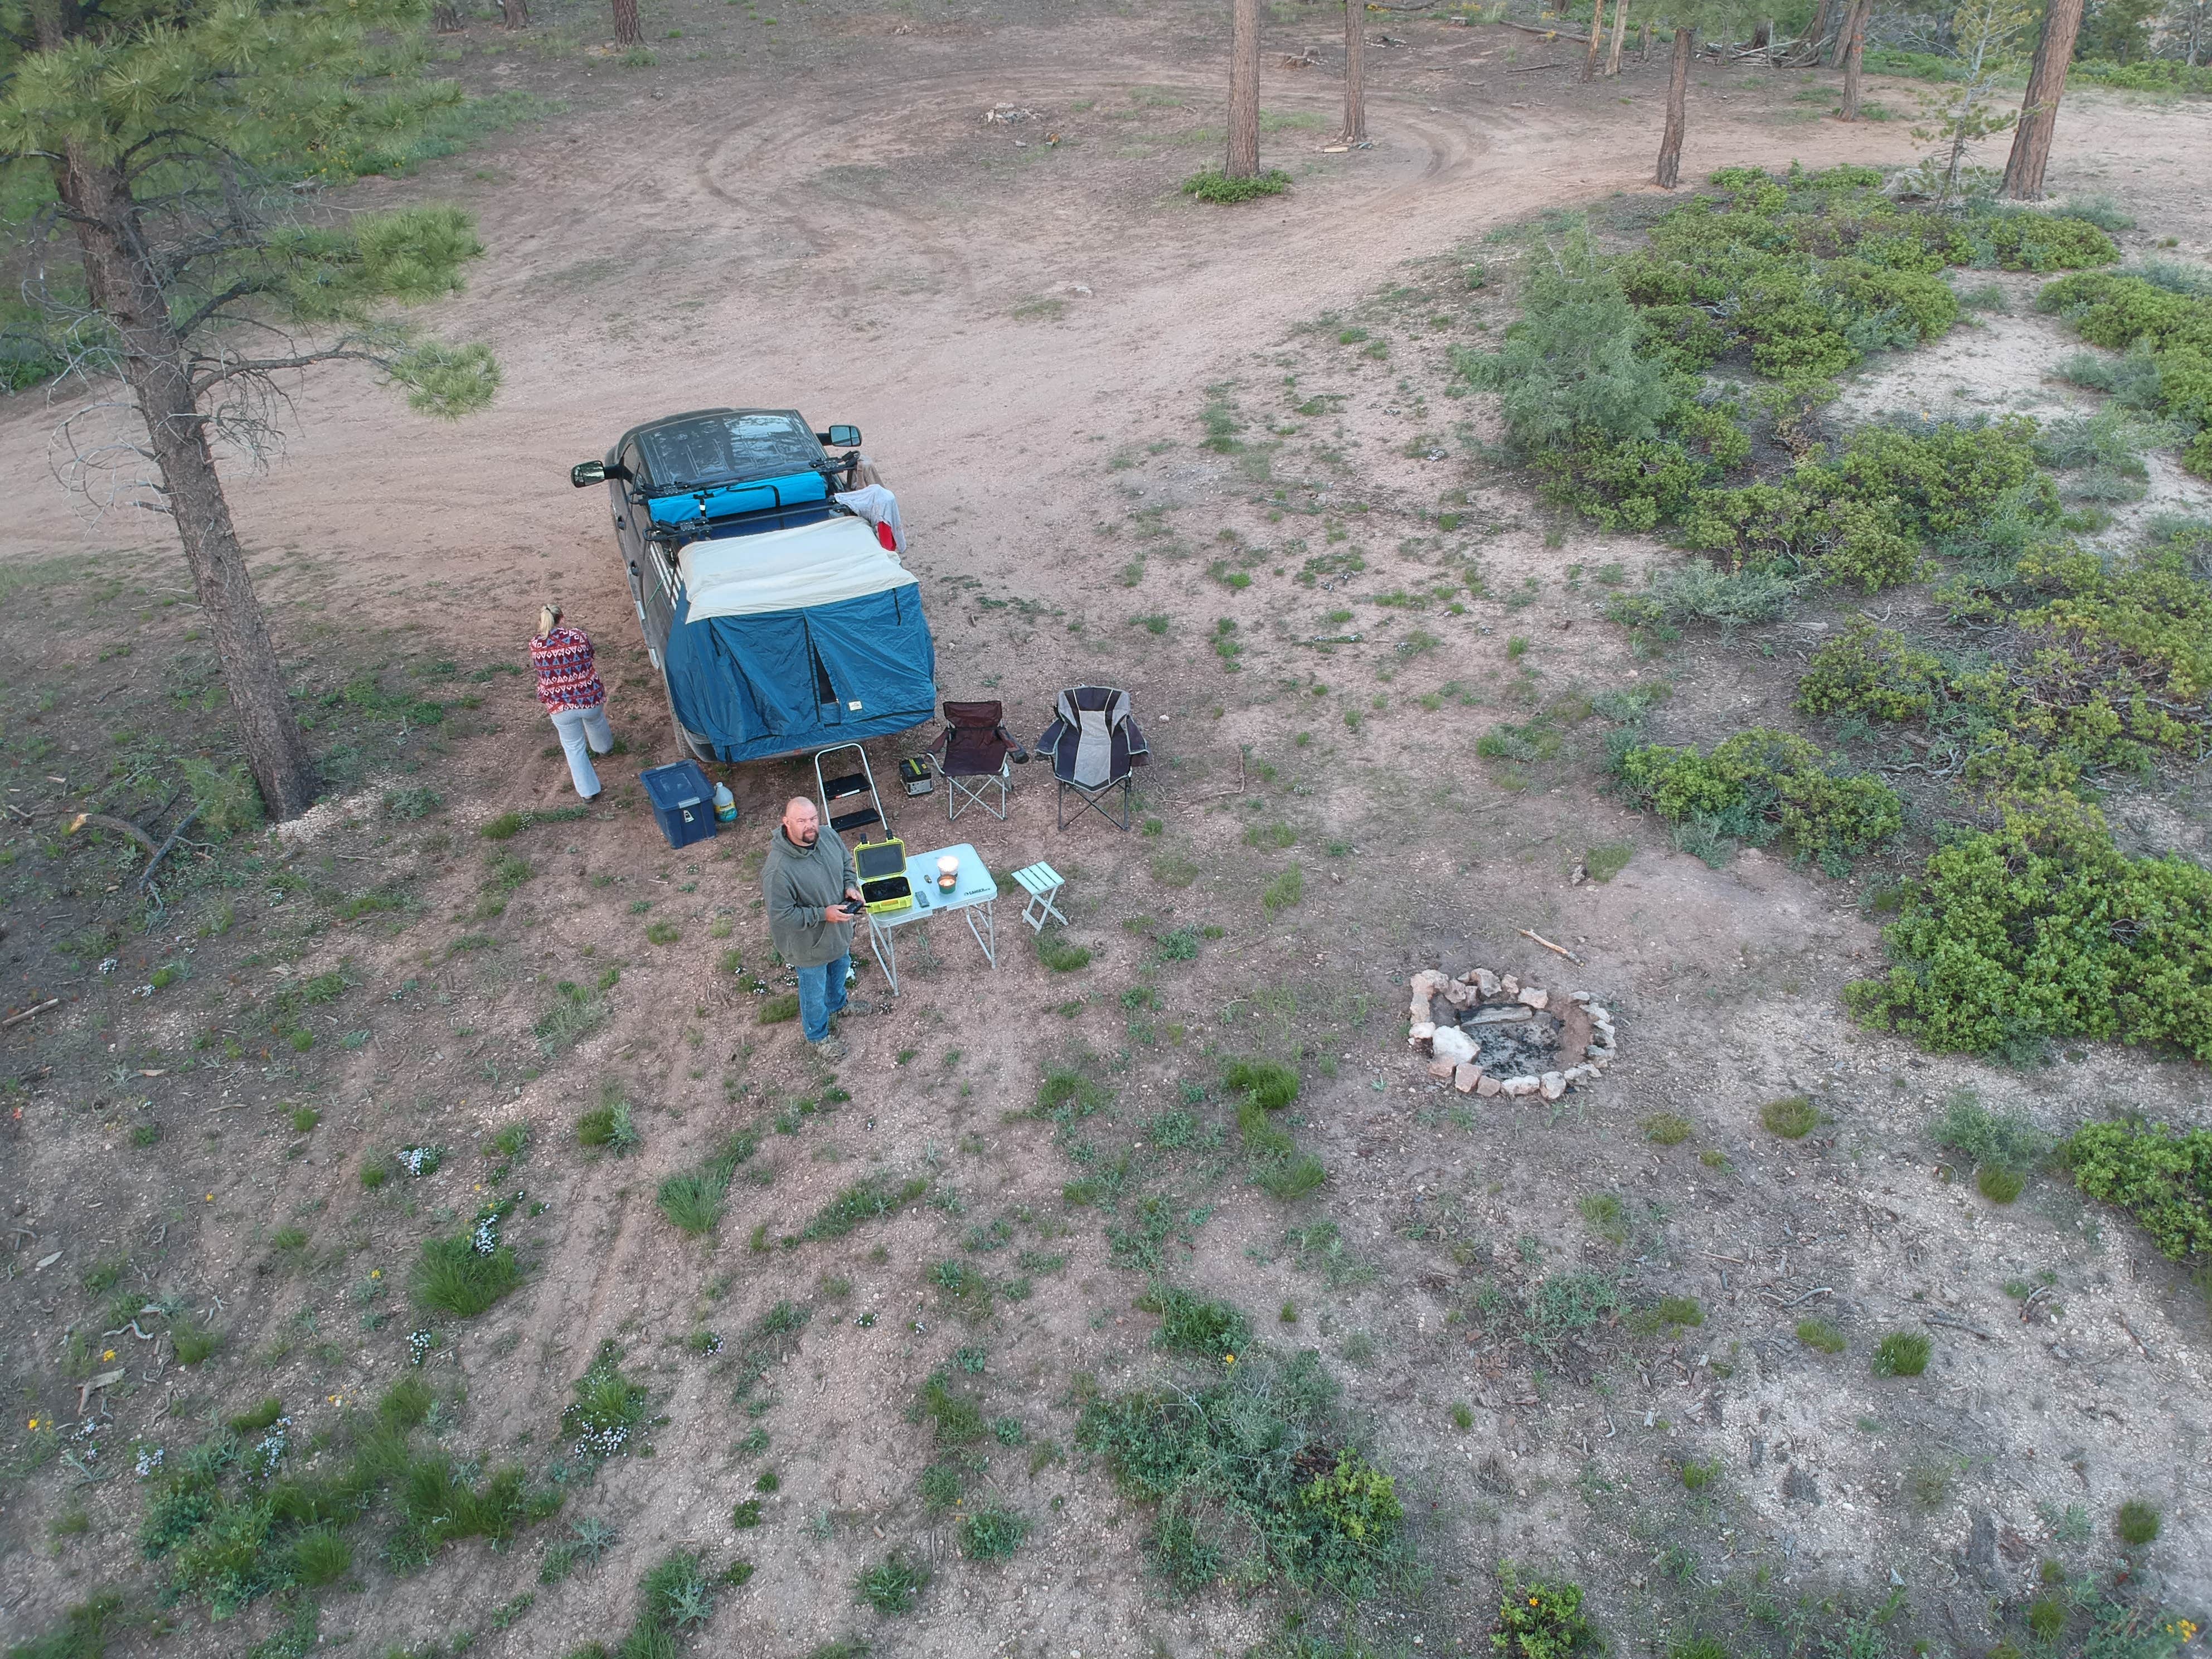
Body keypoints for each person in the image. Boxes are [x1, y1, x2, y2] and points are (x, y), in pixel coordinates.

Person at [764, 797, 876, 1059]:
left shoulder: (828, 836)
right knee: (813, 991)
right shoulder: (778, 870)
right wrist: (822, 914)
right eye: (801, 821)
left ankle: (838, 1005)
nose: (810, 826)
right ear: (786, 823)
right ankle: (817, 1035)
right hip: (808, 946)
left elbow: (847, 864)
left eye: (813, 818)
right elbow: (781, 916)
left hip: (838, 932)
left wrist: (850, 886)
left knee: (840, 968)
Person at [530, 604, 613, 800]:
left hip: (559, 705)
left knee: (573, 746)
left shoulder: (535, 644)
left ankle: (588, 792)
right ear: (563, 619)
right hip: (589, 698)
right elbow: (591, 655)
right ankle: (604, 748)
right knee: (596, 720)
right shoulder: (579, 637)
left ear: (541, 621)